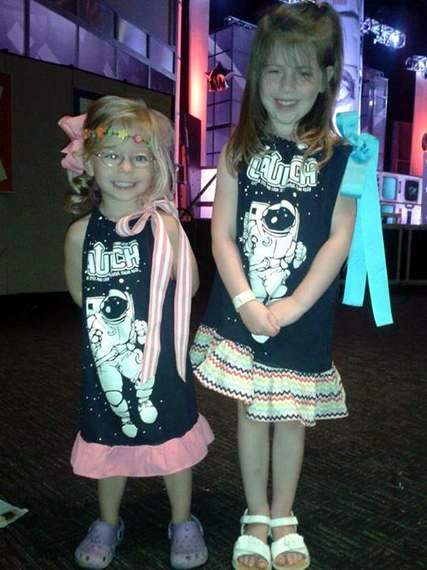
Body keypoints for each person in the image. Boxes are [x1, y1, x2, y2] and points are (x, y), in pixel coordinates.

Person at [191, 3, 357, 569]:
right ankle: (255, 512)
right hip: (244, 309)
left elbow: (338, 240)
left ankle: (283, 512)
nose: (286, 87)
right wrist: (245, 301)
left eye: (303, 72)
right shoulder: (238, 148)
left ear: (326, 77)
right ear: (256, 72)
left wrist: (292, 306)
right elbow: (221, 235)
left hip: (300, 315)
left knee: (289, 416)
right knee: (251, 411)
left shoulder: (343, 159)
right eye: (275, 71)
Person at [59, 95, 214, 570]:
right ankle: (108, 520)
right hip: (106, 361)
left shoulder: (164, 228)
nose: (125, 167)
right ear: (89, 162)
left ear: (156, 167)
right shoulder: (80, 235)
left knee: (172, 440)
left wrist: (171, 229)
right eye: (111, 155)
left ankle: (182, 519)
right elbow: (80, 295)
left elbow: (189, 285)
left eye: (140, 157)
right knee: (108, 439)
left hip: (162, 361)